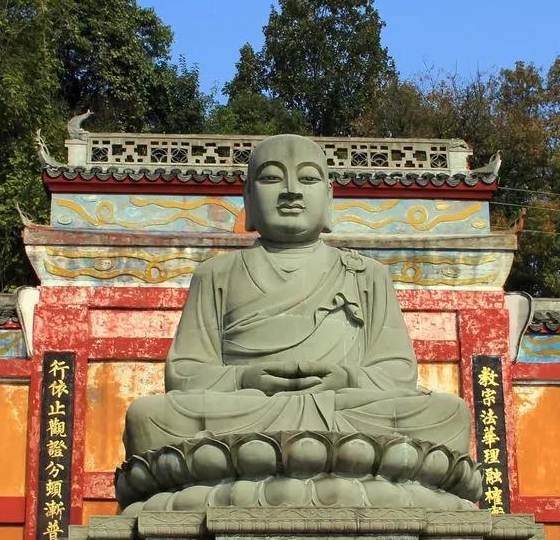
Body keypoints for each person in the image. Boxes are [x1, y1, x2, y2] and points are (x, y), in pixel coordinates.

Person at [122, 134, 473, 466]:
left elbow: (398, 373)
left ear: (329, 196)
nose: (291, 191)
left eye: (307, 179)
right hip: (249, 410)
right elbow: (186, 374)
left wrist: (346, 377)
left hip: (343, 406)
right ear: (248, 197)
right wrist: (245, 380)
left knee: (448, 413)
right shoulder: (215, 273)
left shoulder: (367, 274)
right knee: (148, 417)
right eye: (271, 178)